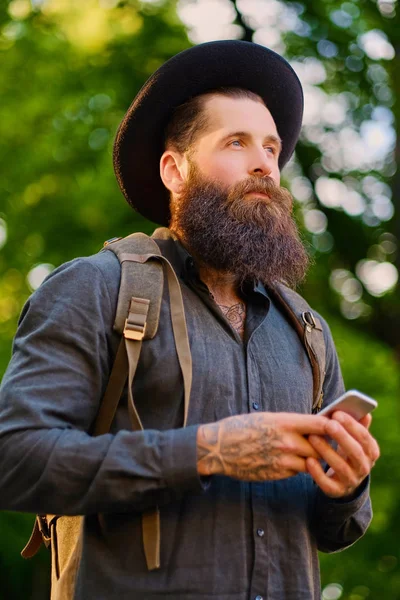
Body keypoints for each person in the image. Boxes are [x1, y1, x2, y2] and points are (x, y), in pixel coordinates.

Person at [0, 40, 379, 600]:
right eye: (237, 142)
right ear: (175, 170)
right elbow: (15, 459)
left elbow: (340, 528)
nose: (264, 164)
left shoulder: (308, 330)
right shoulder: (95, 287)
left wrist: (347, 486)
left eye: (272, 149)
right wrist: (205, 451)